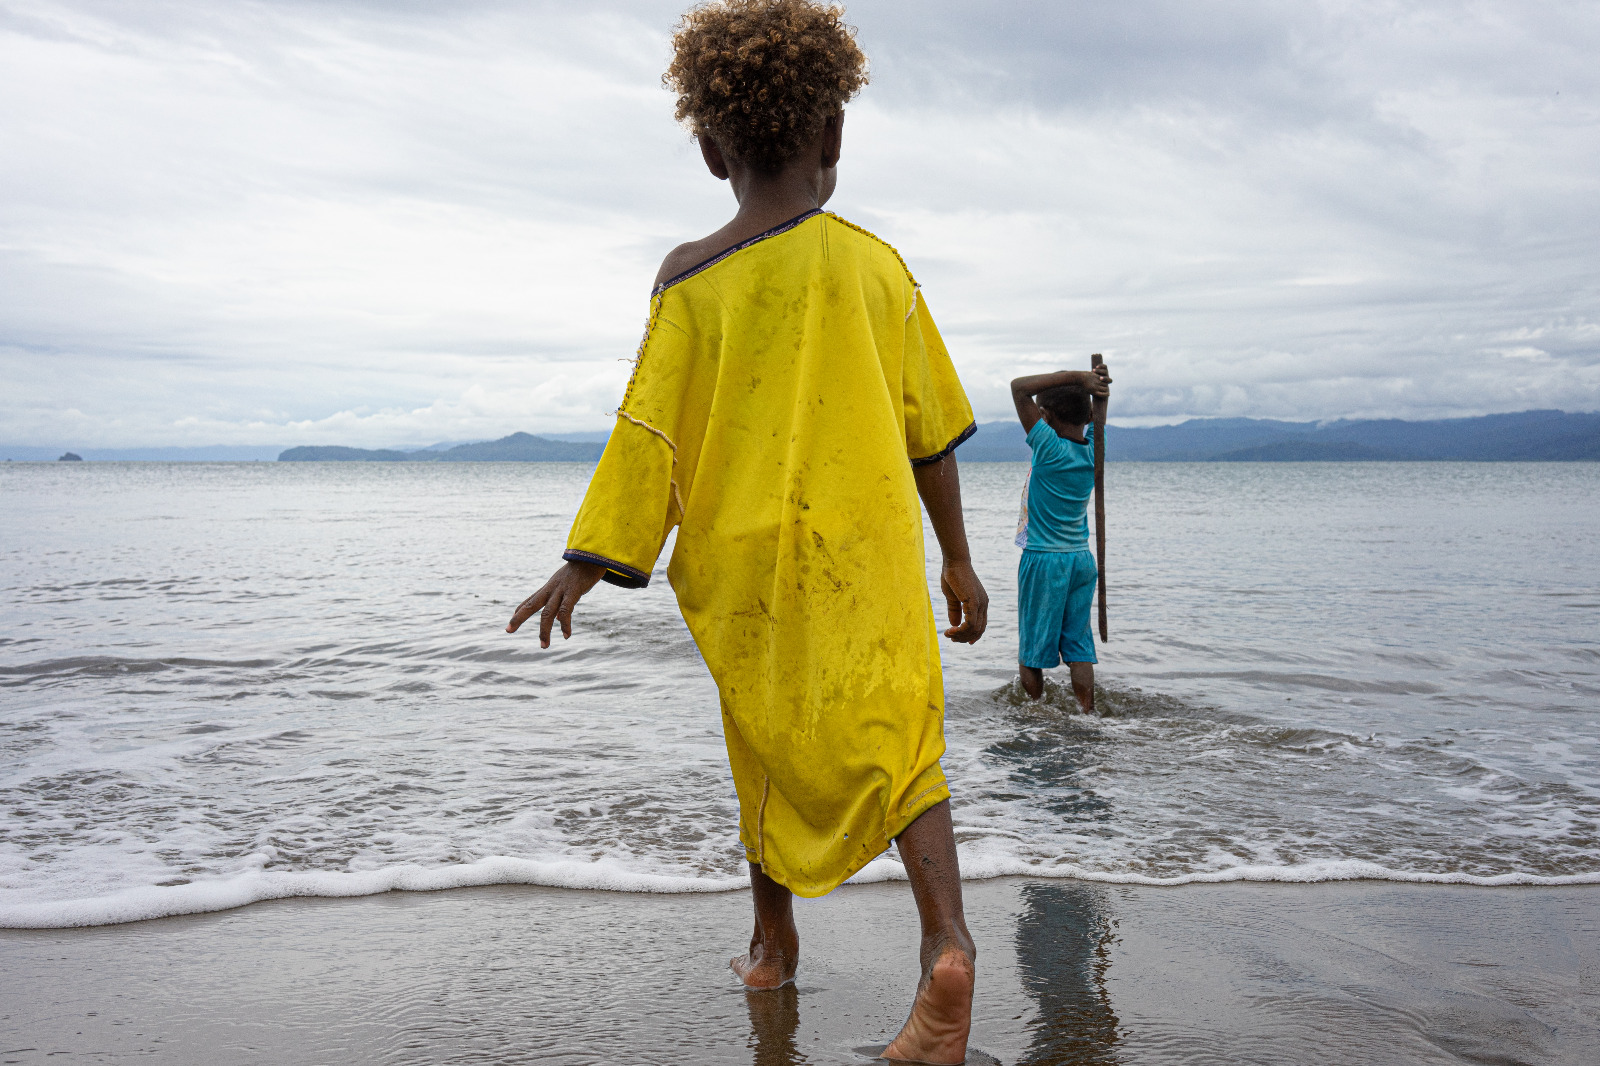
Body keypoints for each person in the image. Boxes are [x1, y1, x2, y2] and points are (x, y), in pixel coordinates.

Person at [506, 2, 987, 1061]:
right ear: (834, 137)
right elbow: (929, 434)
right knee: (905, 752)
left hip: (750, 566)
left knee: (761, 740)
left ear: (712, 147)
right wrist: (953, 554)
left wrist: (584, 563)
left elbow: (649, 439)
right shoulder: (877, 268)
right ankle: (944, 947)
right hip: (863, 553)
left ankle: (772, 945)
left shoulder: (687, 278)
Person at [1010, 366, 1112, 710]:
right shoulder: (1094, 449)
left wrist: (1079, 377)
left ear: (1045, 416)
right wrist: (1097, 390)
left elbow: (1018, 387)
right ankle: (1086, 713)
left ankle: (1034, 715)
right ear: (1088, 415)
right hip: (1080, 560)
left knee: (1032, 650)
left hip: (1044, 560)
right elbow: (1099, 412)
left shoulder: (1049, 448)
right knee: (1079, 648)